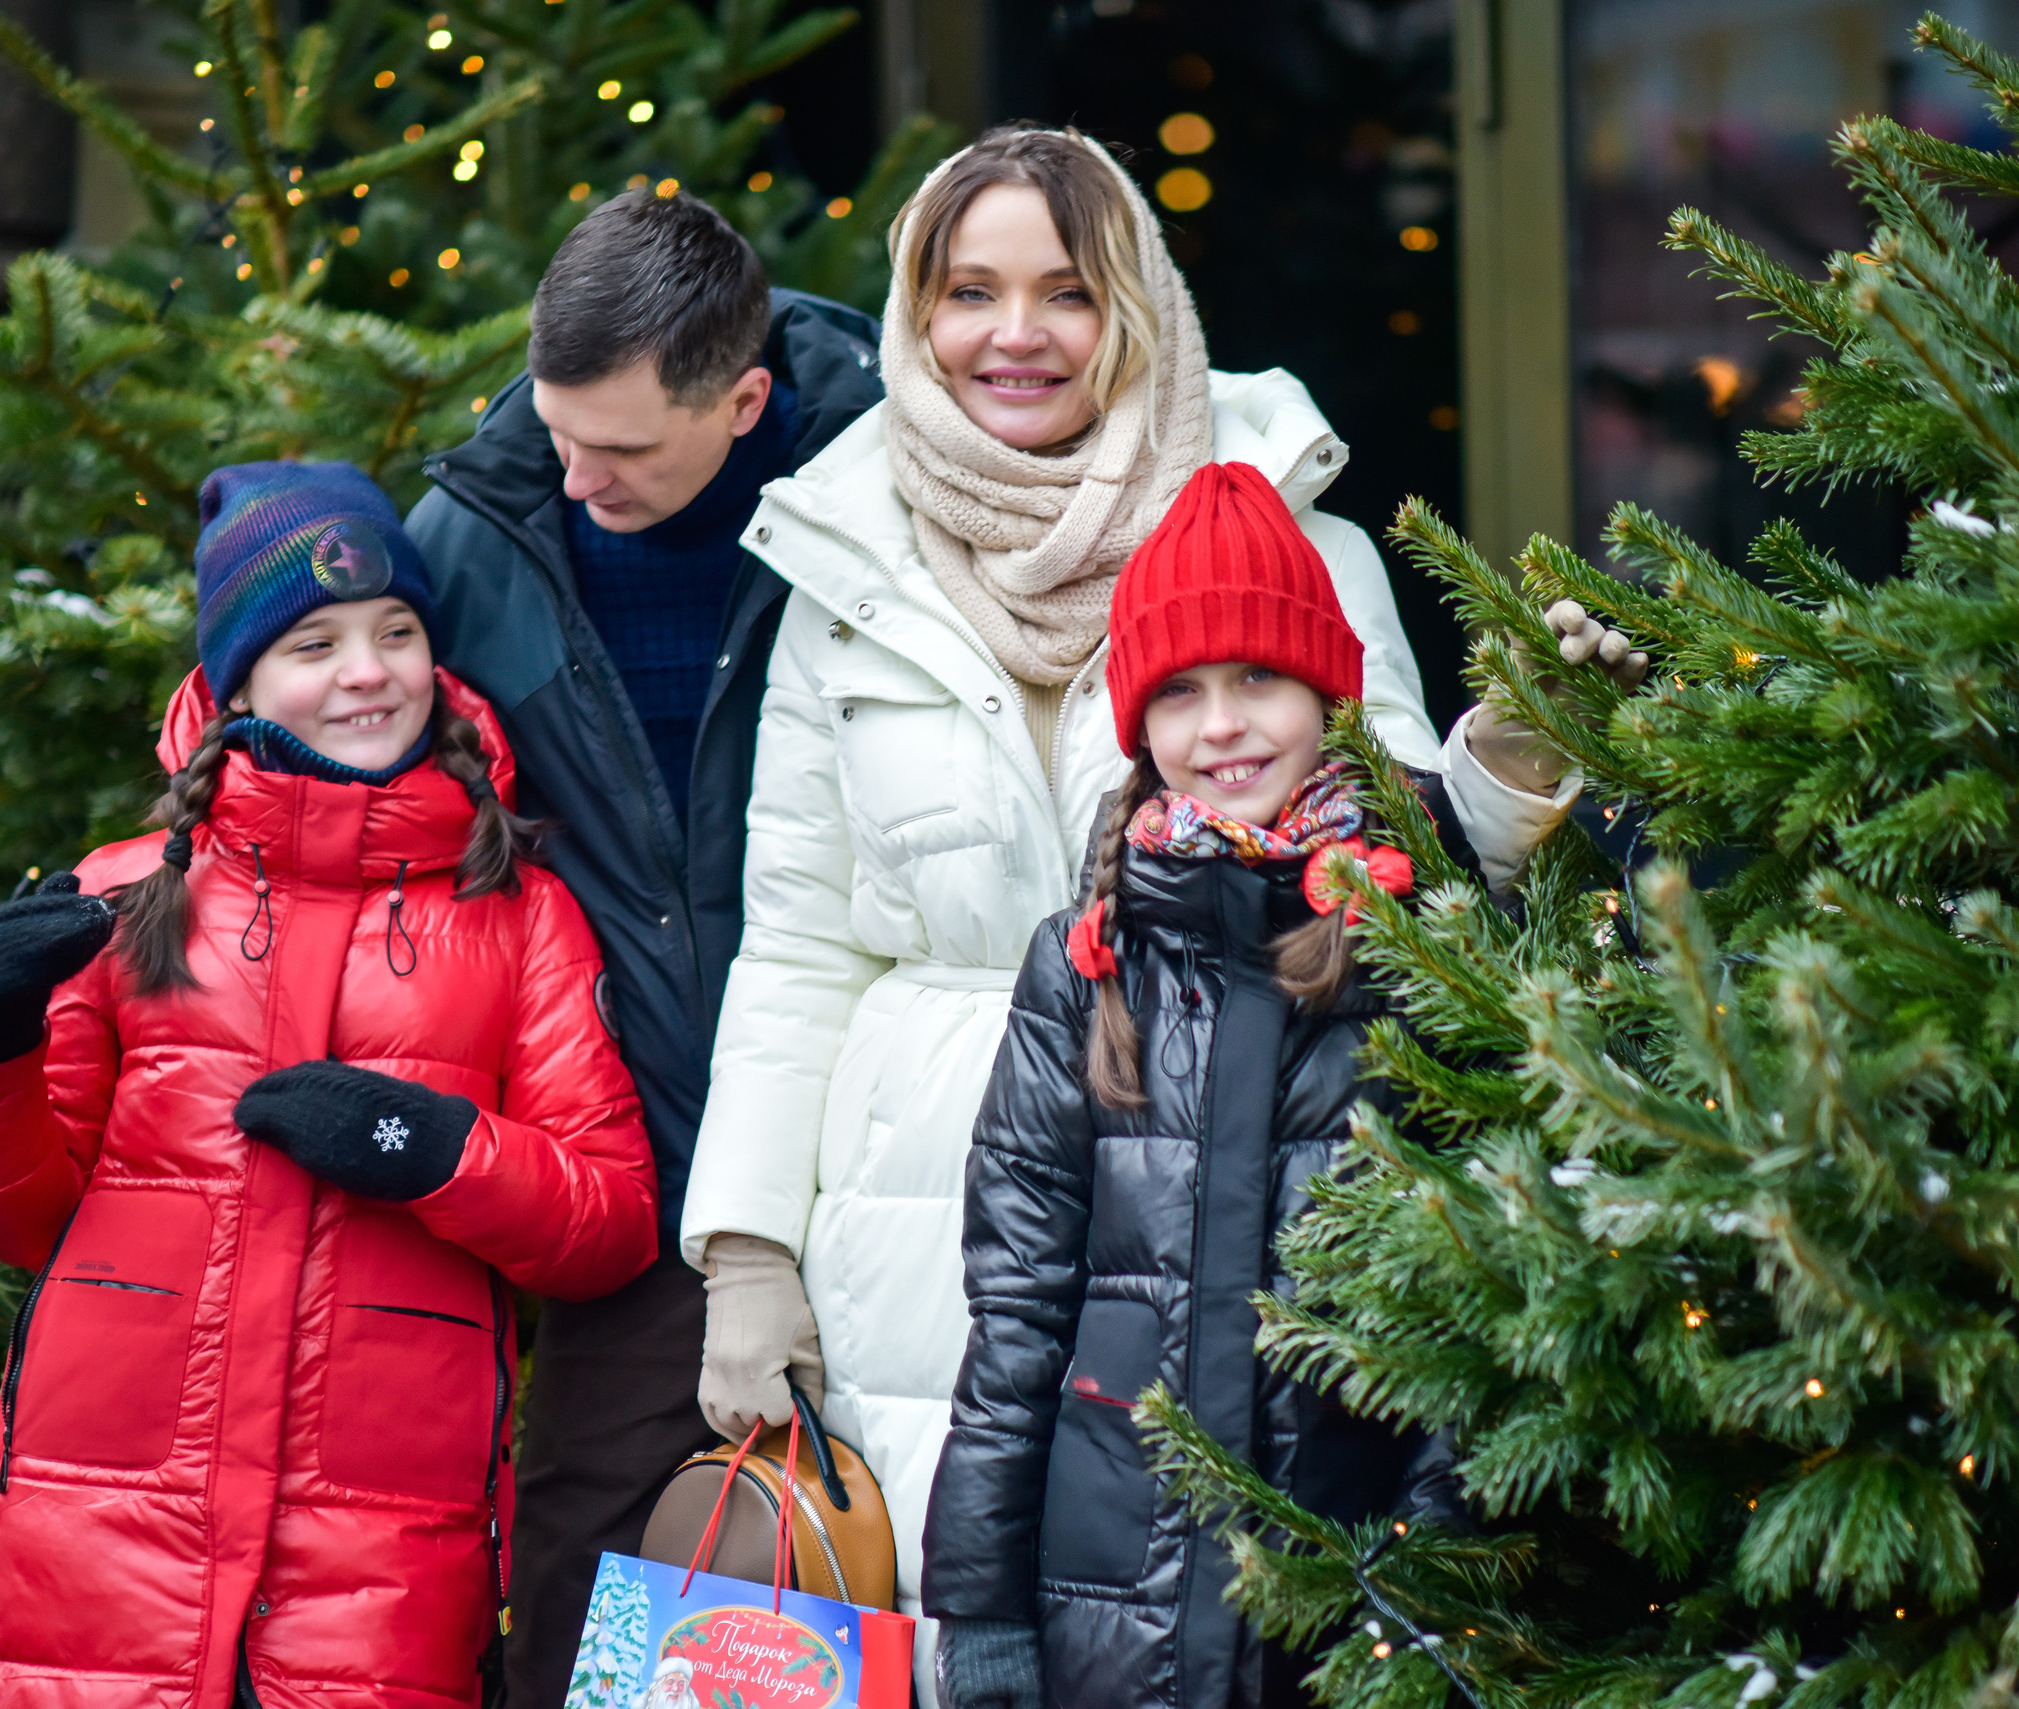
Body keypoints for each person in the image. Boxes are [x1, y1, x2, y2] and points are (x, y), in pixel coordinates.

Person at [677, 126, 1639, 1692]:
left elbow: (1401, 868)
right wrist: (748, 1249)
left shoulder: (1292, 534)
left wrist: (1516, 755)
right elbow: (798, 939)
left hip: (1236, 1209)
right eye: (970, 292)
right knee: (975, 1632)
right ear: (917, 317)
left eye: (1066, 292)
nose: (1017, 335)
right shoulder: (844, 564)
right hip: (920, 1243)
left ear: (1137, 305)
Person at [0, 462, 659, 1709]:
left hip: (372, 1564)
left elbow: (608, 1218)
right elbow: (16, 1217)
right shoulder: (127, 893)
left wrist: (434, 1149)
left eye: (396, 632)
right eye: (313, 642)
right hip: (98, 1544)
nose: (367, 672)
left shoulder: (518, 917)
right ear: (237, 682)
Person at [404, 191, 884, 1703]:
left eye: (619, 449)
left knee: (886, 1583)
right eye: (558, 430)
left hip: (878, 1148)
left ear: (745, 403)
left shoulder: (886, 495)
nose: (575, 475)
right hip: (637, 1174)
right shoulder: (477, 537)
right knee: (585, 1597)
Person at [920, 461, 1487, 1709]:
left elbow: (1480, 1311)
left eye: (1258, 680)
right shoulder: (1084, 961)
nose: (1220, 725)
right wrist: (977, 1603)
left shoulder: (1424, 939)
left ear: (1327, 694)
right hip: (1106, 1601)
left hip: (1352, 1600)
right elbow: (1014, 1313)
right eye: (1179, 691)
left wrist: (1438, 1577)